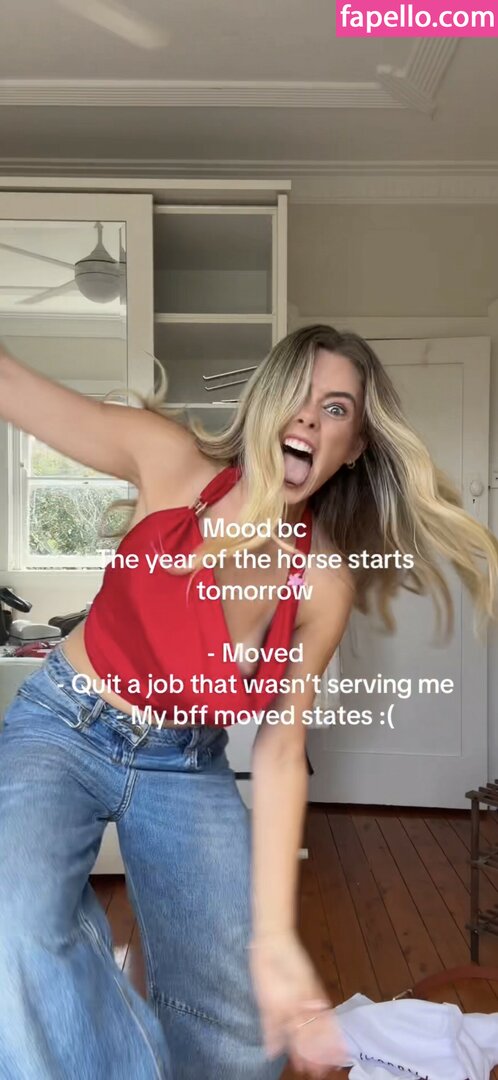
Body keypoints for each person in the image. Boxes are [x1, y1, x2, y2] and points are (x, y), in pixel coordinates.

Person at [0, 324, 496, 1080]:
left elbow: (282, 747)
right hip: (64, 728)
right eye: (296, 394)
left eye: (336, 409)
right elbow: (11, 386)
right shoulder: (168, 459)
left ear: (355, 446)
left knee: (241, 1026)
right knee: (13, 930)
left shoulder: (324, 584)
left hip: (182, 765)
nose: (308, 418)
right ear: (265, 403)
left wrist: (277, 937)